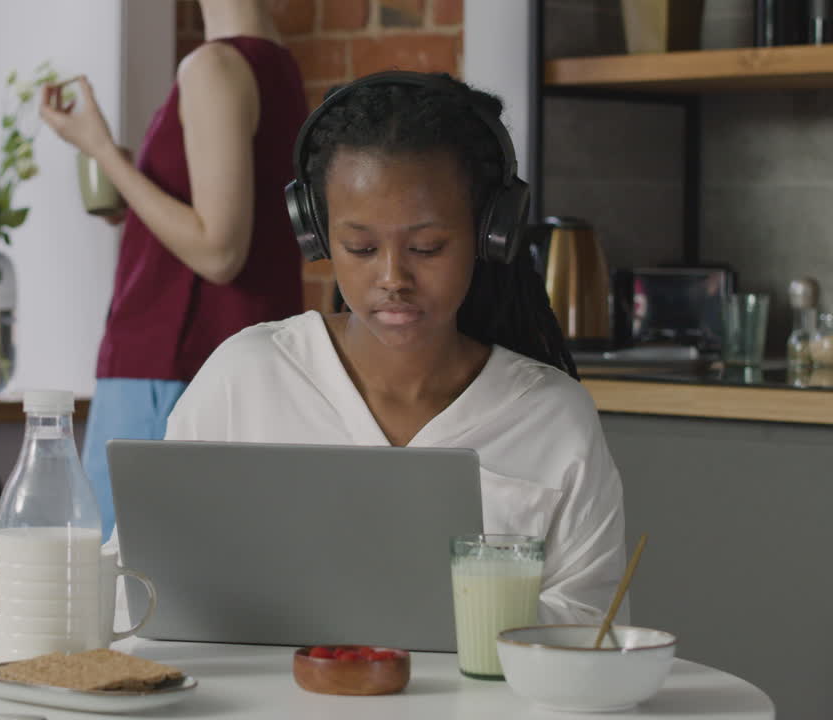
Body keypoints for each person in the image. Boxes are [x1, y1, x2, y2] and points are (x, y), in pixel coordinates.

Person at [163, 72, 627, 624]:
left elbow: (589, 625)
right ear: (317, 234)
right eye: (360, 247)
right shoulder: (247, 377)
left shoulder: (552, 417)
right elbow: (145, 587)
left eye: (427, 247)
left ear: (489, 234)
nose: (392, 278)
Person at [39, 0, 308, 538]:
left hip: (171, 370)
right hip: (229, 363)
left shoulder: (214, 67)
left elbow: (219, 252)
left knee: (121, 587)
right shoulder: (278, 67)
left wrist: (100, 151)